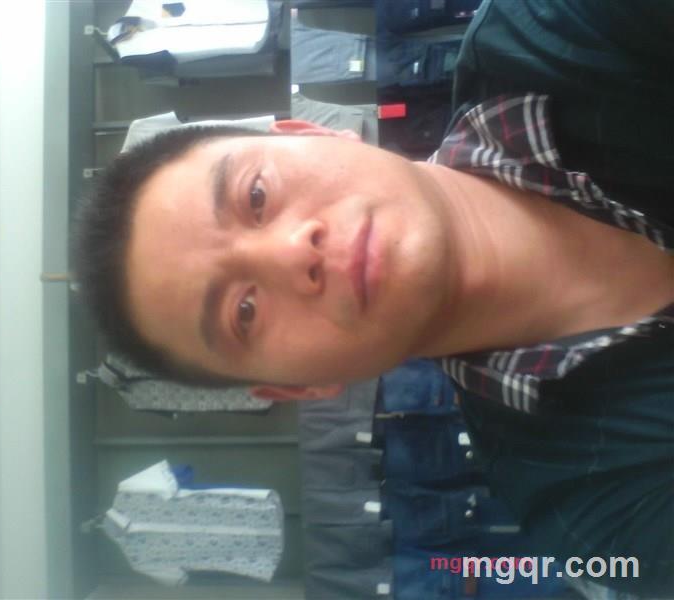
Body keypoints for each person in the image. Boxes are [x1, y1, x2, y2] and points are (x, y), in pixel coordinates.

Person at [72, 0, 674, 594]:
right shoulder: (588, 510)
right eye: (244, 313)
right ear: (302, 388)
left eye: (256, 195)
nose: (293, 253)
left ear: (312, 132)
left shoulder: (555, 31)